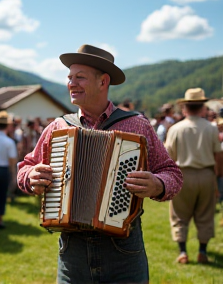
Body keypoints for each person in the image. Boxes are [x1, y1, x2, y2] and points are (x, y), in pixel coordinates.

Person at [17, 44, 183, 284]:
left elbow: (172, 173)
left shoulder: (136, 125)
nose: (71, 83)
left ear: (103, 82)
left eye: (80, 77)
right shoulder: (59, 127)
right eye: (69, 77)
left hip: (123, 250)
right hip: (71, 252)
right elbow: (25, 167)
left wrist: (158, 184)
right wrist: (31, 176)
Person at [165, 88, 222, 265]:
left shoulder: (175, 129)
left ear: (184, 108)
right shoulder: (211, 128)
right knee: (205, 214)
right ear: (203, 108)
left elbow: (168, 156)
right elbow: (218, 155)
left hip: (182, 175)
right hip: (206, 174)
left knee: (179, 214)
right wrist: (217, 175)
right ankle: (202, 251)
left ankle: (183, 252)